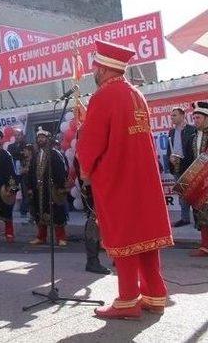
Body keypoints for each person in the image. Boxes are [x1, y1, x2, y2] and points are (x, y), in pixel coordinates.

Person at [78, 40, 173, 319]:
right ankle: (155, 294)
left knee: (124, 235)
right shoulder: (136, 94)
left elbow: (93, 142)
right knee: (145, 235)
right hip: (142, 179)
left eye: (96, 67)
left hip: (117, 178)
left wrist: (85, 168)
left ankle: (128, 299)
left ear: (105, 69)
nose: (94, 72)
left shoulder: (103, 96)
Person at [28, 127, 69, 246]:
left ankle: (61, 238)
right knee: (39, 213)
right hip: (38, 189)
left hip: (52, 189)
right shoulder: (35, 155)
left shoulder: (55, 154)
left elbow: (61, 170)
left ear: (48, 139)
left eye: (43, 137)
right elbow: (31, 172)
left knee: (56, 213)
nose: (40, 140)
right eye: (39, 138)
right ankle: (41, 237)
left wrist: (60, 186)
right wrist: (30, 187)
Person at [72, 156, 111, 275]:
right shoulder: (87, 140)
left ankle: (117, 255)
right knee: (94, 221)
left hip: (105, 182)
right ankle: (92, 260)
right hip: (95, 184)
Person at [165, 107, 196, 227]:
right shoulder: (171, 132)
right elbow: (169, 148)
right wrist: (170, 158)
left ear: (183, 116)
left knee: (194, 193)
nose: (172, 117)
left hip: (190, 166)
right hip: (176, 167)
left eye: (174, 115)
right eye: (171, 115)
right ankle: (185, 218)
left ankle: (199, 219)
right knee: (182, 194)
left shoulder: (191, 130)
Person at [188, 101, 208, 257]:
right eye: (194, 118)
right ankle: (205, 246)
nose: (195, 120)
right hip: (199, 182)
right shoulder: (193, 137)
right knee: (201, 213)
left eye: (198, 117)